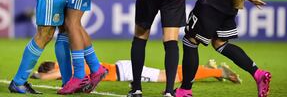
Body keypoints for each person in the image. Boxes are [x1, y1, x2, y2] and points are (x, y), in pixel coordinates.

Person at [31, 59, 242, 84]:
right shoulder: (73, 64)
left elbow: (55, 75)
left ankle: (218, 72)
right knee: (168, 74)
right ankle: (210, 69)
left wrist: (37, 75)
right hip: (124, 69)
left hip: (126, 72)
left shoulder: (68, 67)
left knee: (173, 78)